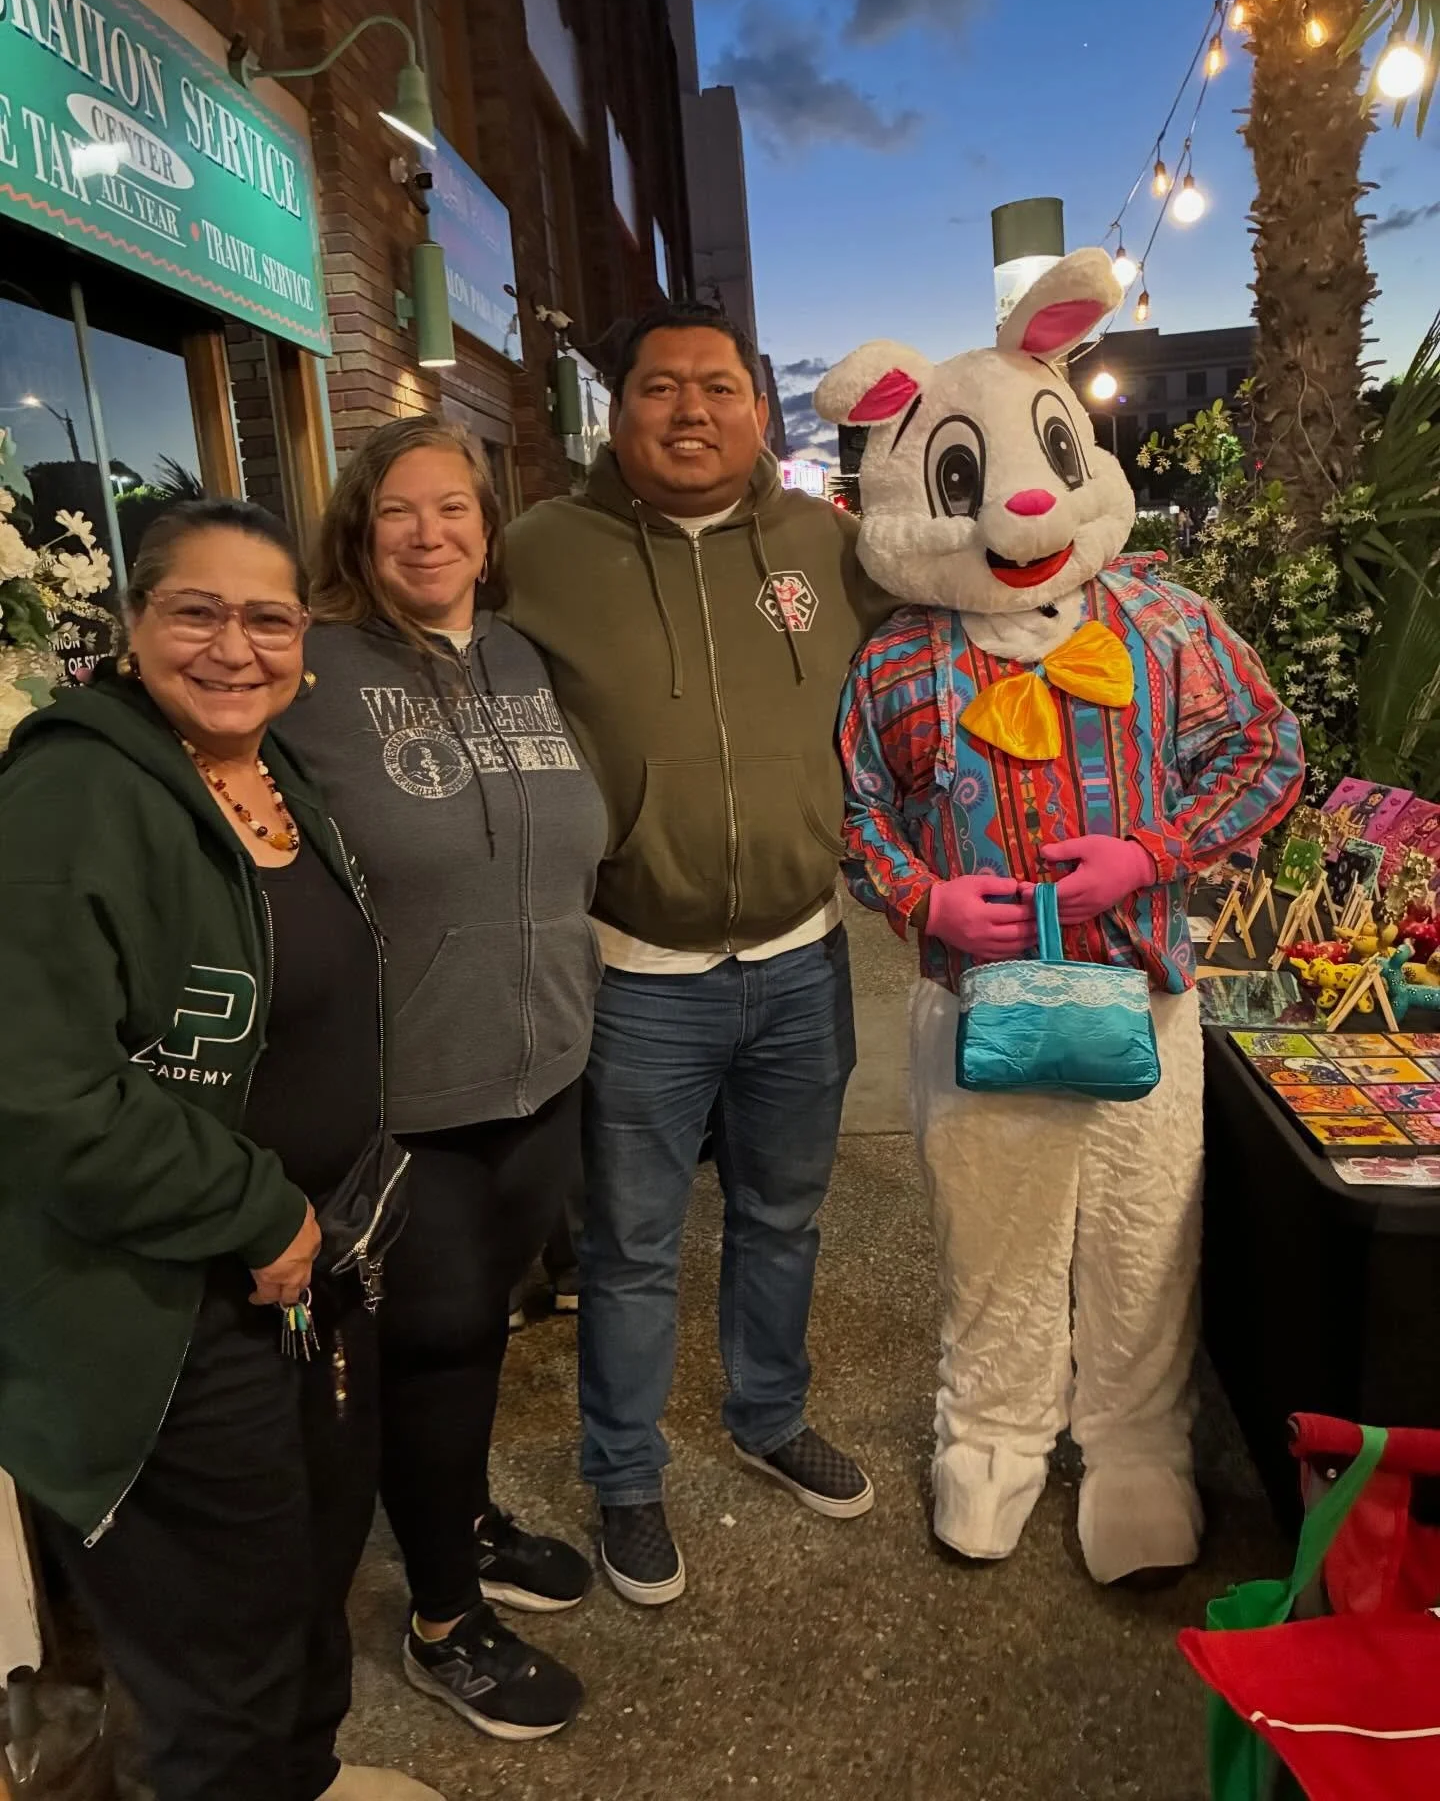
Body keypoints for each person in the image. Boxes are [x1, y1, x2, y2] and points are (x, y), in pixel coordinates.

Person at [826, 249, 1304, 1583]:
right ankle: (990, 1438)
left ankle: (1139, 1450)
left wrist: (1150, 854)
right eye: (972, 475)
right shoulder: (896, 659)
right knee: (996, 1245)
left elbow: (1265, 754)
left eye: (1045, 456)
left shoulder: (1165, 624)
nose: (1025, 503)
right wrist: (926, 895)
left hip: (1144, 985)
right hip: (969, 1010)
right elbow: (856, 813)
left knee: (1148, 1237)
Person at [0, 500, 441, 1801]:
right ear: (133, 629)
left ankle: (301, 1779)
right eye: (196, 610)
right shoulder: (67, 795)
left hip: (305, 1287)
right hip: (159, 1318)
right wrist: (257, 1212)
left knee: (304, 1592)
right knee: (218, 1676)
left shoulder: (264, 768)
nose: (234, 645)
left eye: (269, 617)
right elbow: (35, 1090)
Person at [504, 300, 896, 1606]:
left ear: (762, 412)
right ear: (613, 415)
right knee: (628, 1246)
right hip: (634, 973)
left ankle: (768, 1416)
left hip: (803, 960)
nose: (689, 410)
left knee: (784, 1215)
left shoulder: (829, 549)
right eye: (659, 386)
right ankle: (624, 1478)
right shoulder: (539, 554)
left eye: (718, 386)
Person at [281, 418, 604, 1739]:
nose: (431, 534)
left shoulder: (523, 660)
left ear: (489, 526)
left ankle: (457, 1512)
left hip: (545, 1072)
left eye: (455, 510)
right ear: (360, 530)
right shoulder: (310, 671)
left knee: (485, 1335)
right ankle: (440, 1619)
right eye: (400, 512)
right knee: (439, 1342)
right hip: (412, 1097)